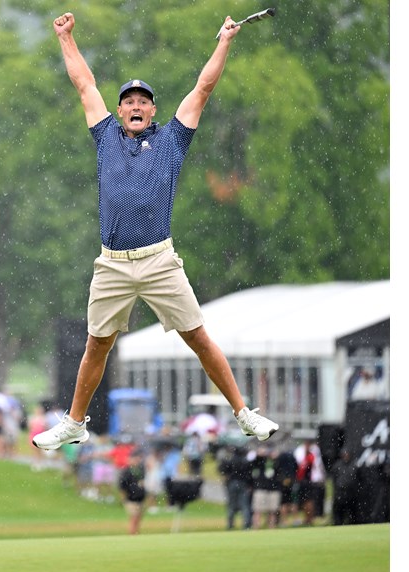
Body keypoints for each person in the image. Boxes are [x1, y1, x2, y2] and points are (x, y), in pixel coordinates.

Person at [33, 13, 279, 451]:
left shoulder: (172, 141)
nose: (134, 106)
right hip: (112, 263)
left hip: (159, 260)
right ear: (121, 108)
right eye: (128, 100)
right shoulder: (106, 134)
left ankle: (244, 414)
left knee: (199, 338)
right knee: (97, 346)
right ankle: (74, 423)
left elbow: (203, 89)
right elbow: (85, 84)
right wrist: (65, 37)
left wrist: (223, 40)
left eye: (142, 101)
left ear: (152, 110)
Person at [118, 449, 147, 535]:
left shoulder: (141, 470)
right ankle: (132, 534)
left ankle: (136, 533)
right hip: (130, 498)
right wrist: (124, 498)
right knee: (134, 517)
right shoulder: (126, 471)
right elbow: (122, 486)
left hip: (140, 498)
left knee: (138, 517)